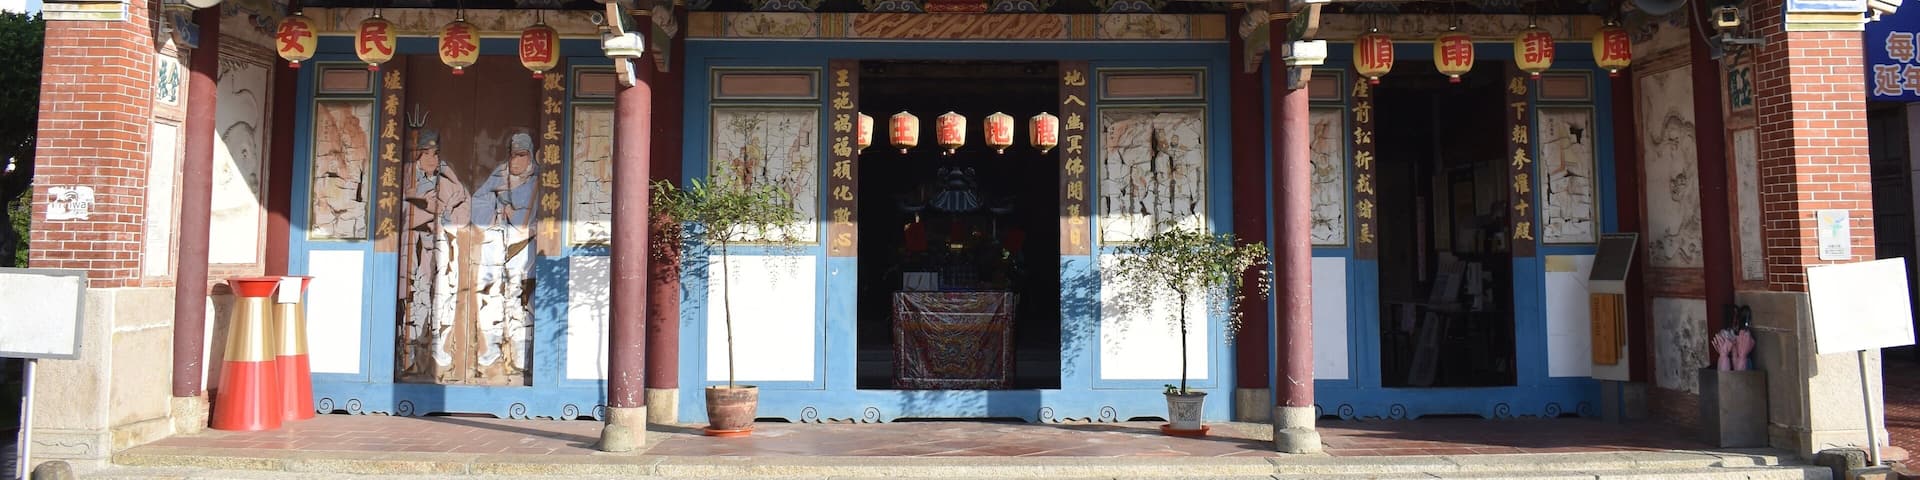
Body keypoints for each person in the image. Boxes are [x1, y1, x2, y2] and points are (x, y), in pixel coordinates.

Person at [401, 129, 469, 379]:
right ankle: (409, 353)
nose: (431, 159)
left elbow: (462, 203)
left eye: (436, 154)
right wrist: (424, 204)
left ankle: (438, 344)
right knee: (415, 296)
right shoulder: (406, 175)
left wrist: (449, 176)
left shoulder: (446, 177)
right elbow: (397, 208)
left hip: (438, 246)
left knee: (442, 293)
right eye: (426, 153)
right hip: (411, 248)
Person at [469, 132, 539, 374]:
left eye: (522, 155)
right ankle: (491, 350)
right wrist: (498, 211)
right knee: (491, 296)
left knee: (521, 300)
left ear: (530, 156)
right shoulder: (499, 175)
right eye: (513, 155)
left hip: (526, 247)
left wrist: (529, 226)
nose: (516, 161)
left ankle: (522, 354)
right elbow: (478, 201)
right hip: (497, 243)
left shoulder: (540, 180)